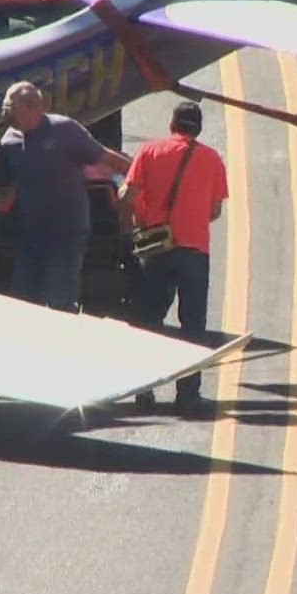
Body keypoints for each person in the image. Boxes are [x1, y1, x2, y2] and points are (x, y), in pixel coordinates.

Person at [0, 82, 129, 312]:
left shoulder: (64, 130)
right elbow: (3, 189)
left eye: (11, 110)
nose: (6, 116)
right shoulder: (9, 142)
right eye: (5, 110)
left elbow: (104, 157)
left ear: (35, 107)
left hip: (67, 231)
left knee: (60, 300)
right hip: (32, 233)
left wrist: (135, 179)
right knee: (22, 299)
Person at [118, 101, 229, 418]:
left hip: (153, 243)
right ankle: (188, 395)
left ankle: (143, 390)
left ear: (172, 124)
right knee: (193, 325)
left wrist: (132, 229)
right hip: (194, 247)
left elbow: (126, 196)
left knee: (147, 319)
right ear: (199, 128)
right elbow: (215, 211)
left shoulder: (150, 152)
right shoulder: (211, 158)